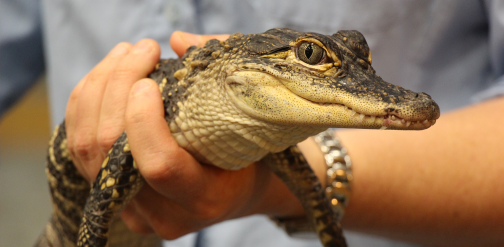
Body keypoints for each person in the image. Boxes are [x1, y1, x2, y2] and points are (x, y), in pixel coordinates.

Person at [4, 0, 504, 246]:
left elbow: (311, 197)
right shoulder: (177, 97)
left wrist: (270, 189)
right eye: (311, 56)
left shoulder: (278, 150)